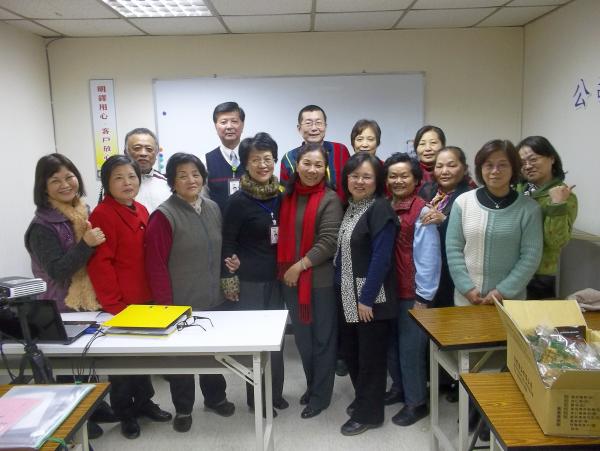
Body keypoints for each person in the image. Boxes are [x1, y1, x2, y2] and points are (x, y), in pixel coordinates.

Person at [24, 153, 115, 438]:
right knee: (68, 364)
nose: (65, 184)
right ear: (43, 187)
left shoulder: (81, 212)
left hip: (88, 302)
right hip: (61, 305)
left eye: (69, 177)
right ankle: (76, 418)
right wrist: (86, 244)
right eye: (55, 180)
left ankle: (94, 406)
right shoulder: (41, 227)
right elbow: (57, 270)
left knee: (88, 357)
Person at [145, 153, 236, 433]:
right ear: (172, 181)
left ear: (203, 178)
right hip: (180, 303)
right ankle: (183, 408)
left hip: (213, 299)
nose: (191, 180)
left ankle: (215, 398)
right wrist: (166, 306)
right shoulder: (164, 215)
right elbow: (155, 264)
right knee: (181, 359)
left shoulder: (213, 207)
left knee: (213, 354)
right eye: (182, 175)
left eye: (196, 174)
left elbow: (220, 248)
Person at [87, 155, 172, 439]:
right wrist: (115, 305)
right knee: (122, 363)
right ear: (107, 183)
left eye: (132, 176)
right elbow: (100, 264)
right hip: (121, 303)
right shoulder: (102, 214)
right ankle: (125, 413)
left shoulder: (142, 209)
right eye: (119, 178)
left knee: (141, 358)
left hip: (145, 297)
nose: (127, 183)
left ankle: (144, 403)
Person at [221, 132, 288, 416]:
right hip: (250, 281)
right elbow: (228, 242)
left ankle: (275, 393)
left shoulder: (281, 195)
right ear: (245, 164)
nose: (263, 165)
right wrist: (229, 278)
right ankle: (256, 399)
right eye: (255, 160)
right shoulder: (238, 201)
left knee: (277, 339)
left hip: (278, 278)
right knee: (256, 342)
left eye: (267, 159)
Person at [334, 152, 399, 436]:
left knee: (371, 359)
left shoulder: (380, 208)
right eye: (354, 176)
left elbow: (381, 259)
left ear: (378, 181)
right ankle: (364, 400)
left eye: (367, 177)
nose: (359, 181)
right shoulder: (351, 207)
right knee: (352, 353)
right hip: (347, 294)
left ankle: (370, 414)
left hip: (370, 299)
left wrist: (366, 298)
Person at [278, 144, 343, 419]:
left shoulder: (330, 199)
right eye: (307, 163)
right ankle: (313, 384)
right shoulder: (288, 196)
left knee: (323, 340)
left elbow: (328, 242)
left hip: (319, 283)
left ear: (325, 168)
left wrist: (299, 266)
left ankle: (321, 396)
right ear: (297, 164)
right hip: (292, 283)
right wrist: (289, 272)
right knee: (304, 340)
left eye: (318, 165)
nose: (312, 170)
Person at [446, 139, 543, 306]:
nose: (495, 171)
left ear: (513, 168)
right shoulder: (463, 202)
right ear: (480, 168)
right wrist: (466, 288)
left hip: (510, 301)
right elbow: (453, 249)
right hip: (467, 299)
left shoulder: (529, 208)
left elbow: (530, 256)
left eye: (502, 165)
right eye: (488, 165)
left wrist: (503, 291)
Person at [383, 153, 441, 427]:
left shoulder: (423, 212)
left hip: (412, 293)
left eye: (404, 175)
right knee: (392, 346)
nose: (398, 180)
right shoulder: (386, 205)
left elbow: (429, 258)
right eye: (392, 176)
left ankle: (416, 402)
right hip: (389, 290)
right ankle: (400, 388)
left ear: (416, 179)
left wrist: (423, 297)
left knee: (410, 349)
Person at [516, 136, 578, 299]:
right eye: (522, 162)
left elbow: (557, 242)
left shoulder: (565, 195)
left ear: (551, 158)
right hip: (510, 272)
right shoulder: (517, 191)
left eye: (533, 159)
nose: (527, 166)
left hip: (539, 275)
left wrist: (557, 204)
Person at [420, 146, 474, 308]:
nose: (444, 171)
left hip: (452, 268)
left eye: (451, 165)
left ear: (464, 168)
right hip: (426, 266)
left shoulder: (471, 196)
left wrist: (444, 220)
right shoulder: (427, 191)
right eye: (439, 166)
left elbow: (473, 234)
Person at [280, 105, 350, 201]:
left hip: (341, 208)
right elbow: (284, 195)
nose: (314, 128)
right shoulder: (289, 158)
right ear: (299, 128)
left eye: (318, 123)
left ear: (325, 126)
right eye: (308, 123)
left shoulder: (341, 150)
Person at [204, 101, 246, 212]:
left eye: (234, 121)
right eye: (223, 122)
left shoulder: (253, 157)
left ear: (242, 125)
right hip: (218, 221)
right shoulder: (206, 161)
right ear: (215, 126)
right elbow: (203, 200)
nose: (229, 126)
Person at [124, 127, 171, 213]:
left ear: (156, 153)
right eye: (137, 148)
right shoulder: (115, 185)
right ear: (125, 152)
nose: (143, 153)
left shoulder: (168, 184)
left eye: (149, 149)